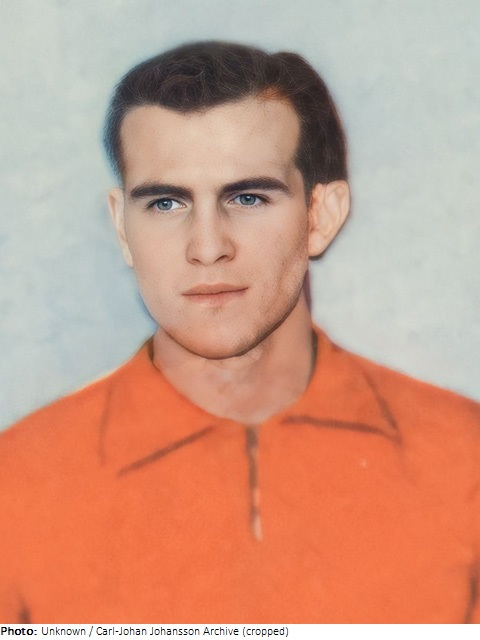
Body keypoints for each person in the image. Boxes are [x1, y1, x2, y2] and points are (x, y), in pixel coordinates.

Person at [0, 40, 479, 624]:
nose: (207, 248)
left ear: (320, 216)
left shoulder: (465, 457)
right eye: (166, 204)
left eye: (248, 197)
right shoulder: (17, 482)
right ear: (122, 227)